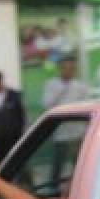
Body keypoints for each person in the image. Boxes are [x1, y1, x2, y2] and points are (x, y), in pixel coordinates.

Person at [42, 53, 88, 181]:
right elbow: (47, 104)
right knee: (57, 166)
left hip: (77, 133)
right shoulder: (51, 84)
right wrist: (62, 89)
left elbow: (85, 107)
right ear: (60, 69)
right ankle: (53, 190)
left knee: (79, 166)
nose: (68, 71)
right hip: (61, 133)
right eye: (65, 68)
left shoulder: (81, 87)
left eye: (71, 68)